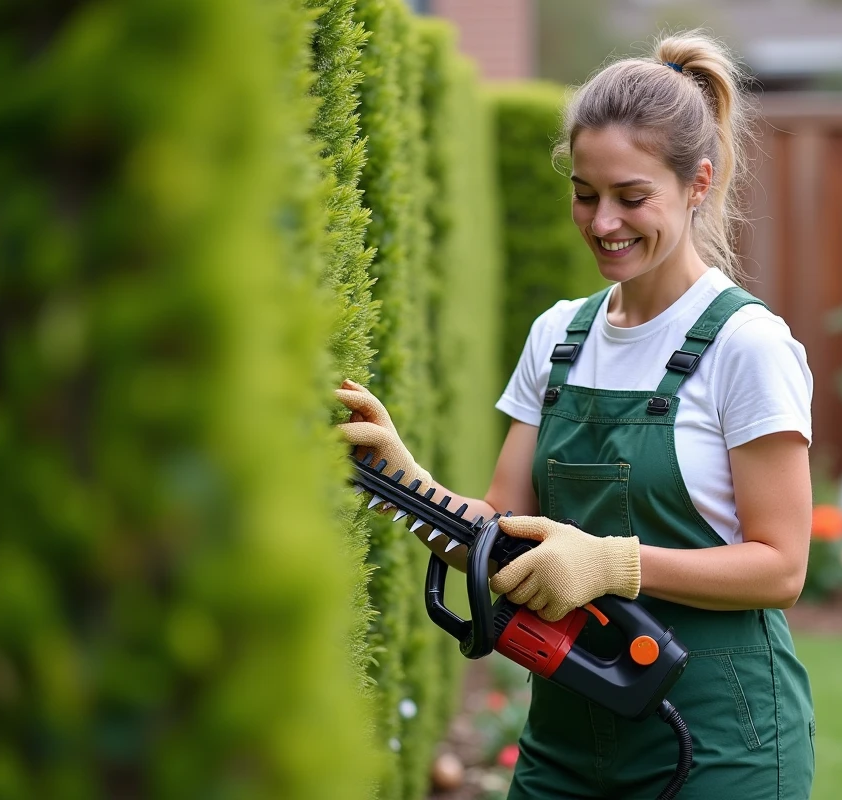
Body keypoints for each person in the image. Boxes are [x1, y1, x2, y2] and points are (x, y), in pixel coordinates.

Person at [338, 30, 815, 800]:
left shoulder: (747, 346)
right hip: (565, 740)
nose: (602, 223)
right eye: (585, 194)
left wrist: (612, 561)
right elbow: (497, 536)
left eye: (631, 198)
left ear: (698, 183)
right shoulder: (559, 336)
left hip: (721, 746)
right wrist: (405, 480)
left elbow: (781, 566)